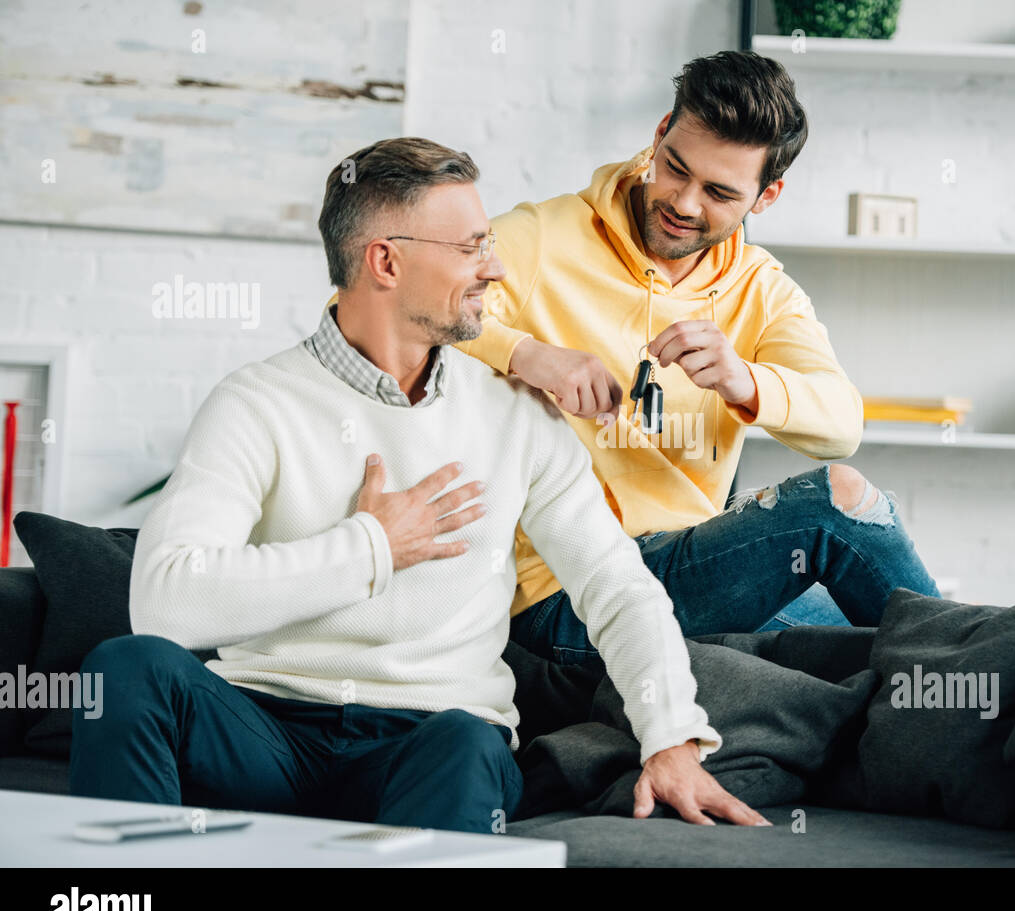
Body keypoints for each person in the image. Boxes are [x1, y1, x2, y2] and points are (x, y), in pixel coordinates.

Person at [70, 137, 769, 833]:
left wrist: (671, 739)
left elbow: (615, 585)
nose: (494, 267)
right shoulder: (255, 402)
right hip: (265, 729)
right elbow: (165, 602)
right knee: (126, 669)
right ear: (386, 261)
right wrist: (372, 547)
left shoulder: (517, 414)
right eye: (470, 247)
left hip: (430, 739)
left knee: (465, 743)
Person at [446, 50, 941, 670]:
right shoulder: (545, 238)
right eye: (675, 168)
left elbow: (842, 426)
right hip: (569, 593)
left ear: (766, 196)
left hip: (691, 570)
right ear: (660, 134)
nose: (683, 202)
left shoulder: (761, 289)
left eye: (719, 193)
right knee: (841, 510)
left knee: (893, 641)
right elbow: (383, 304)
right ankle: (989, 679)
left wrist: (744, 381)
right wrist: (527, 354)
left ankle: (986, 683)